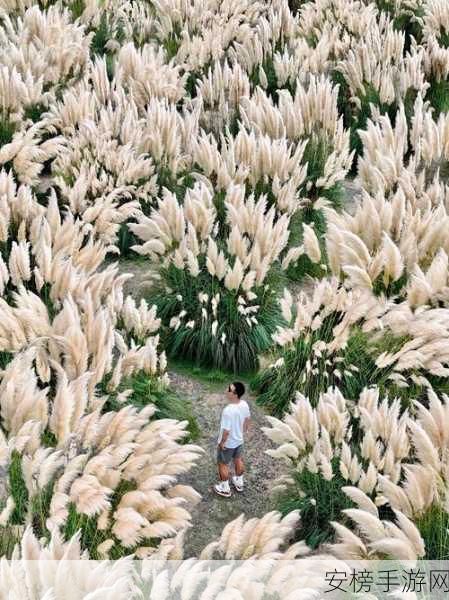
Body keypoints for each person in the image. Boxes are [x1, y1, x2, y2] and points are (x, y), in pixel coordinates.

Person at [214, 381, 251, 497]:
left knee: (222, 464)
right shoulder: (244, 404)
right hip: (239, 440)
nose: (226, 391)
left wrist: (222, 443)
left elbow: (226, 431)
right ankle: (239, 482)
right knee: (238, 459)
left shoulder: (228, 410)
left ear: (235, 395)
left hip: (228, 443)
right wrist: (244, 431)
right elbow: (248, 419)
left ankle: (225, 488)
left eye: (229, 390)